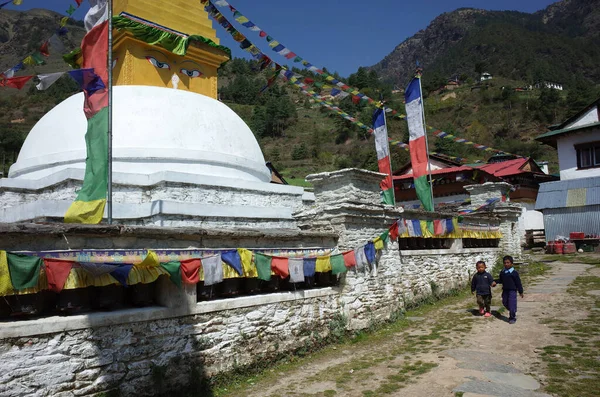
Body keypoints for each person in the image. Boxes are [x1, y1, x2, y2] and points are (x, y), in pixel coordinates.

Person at [493, 255, 524, 324]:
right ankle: (512, 309)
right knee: (504, 302)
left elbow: (518, 283)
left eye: (508, 262)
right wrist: (495, 281)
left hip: (512, 291)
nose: (506, 264)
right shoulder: (502, 272)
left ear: (511, 263)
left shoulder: (514, 273)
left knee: (512, 304)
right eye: (505, 263)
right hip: (505, 290)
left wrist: (520, 291)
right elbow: (501, 280)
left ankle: (512, 317)